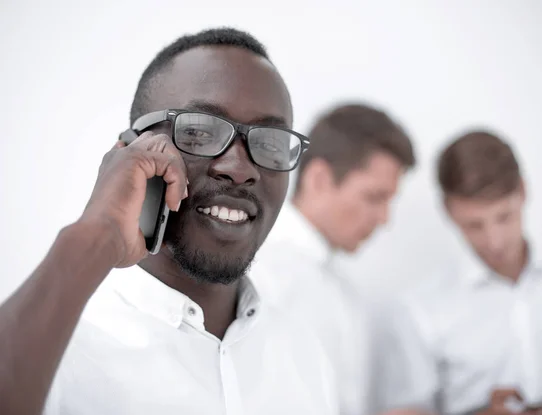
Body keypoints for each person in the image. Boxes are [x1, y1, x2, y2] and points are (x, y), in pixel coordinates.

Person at [0, 28, 339, 415]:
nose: (240, 168)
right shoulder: (60, 346)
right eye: (197, 132)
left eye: (270, 142)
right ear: (129, 152)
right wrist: (96, 233)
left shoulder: (303, 355)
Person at [379, 130, 542, 415]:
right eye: (474, 226)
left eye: (504, 217)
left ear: (522, 191)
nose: (494, 242)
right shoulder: (419, 310)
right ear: (448, 210)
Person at [250, 103, 417, 415]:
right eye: (374, 197)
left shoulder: (346, 293)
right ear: (319, 178)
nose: (384, 219)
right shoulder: (256, 273)